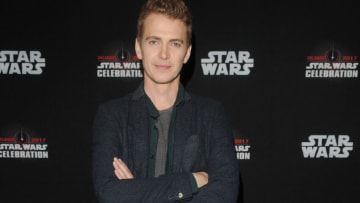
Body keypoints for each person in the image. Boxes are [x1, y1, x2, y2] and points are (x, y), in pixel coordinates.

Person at [92, 0, 239, 202]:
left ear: (187, 52)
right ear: (138, 47)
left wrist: (136, 193)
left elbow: (225, 194)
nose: (164, 54)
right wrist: (191, 181)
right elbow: (110, 193)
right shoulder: (111, 115)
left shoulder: (212, 114)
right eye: (154, 41)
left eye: (175, 43)